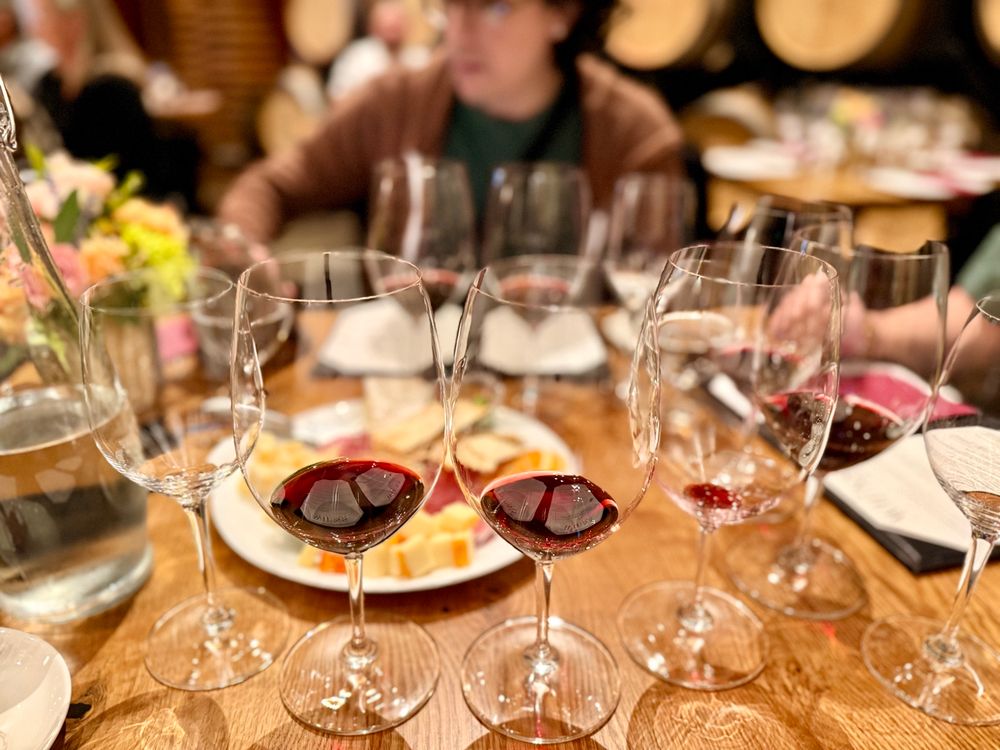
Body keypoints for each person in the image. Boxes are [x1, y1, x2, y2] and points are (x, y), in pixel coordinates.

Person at [218, 0, 684, 244]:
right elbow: (269, 187)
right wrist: (245, 248)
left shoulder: (633, 134)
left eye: (494, 6)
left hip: (567, 396)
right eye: (451, 3)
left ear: (563, 12)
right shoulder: (395, 101)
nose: (459, 33)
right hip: (417, 380)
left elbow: (653, 293)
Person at [327, 0, 430, 100]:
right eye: (387, 24)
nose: (393, 27)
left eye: (397, 22)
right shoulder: (356, 58)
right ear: (373, 27)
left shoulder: (420, 58)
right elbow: (338, 98)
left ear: (409, 26)